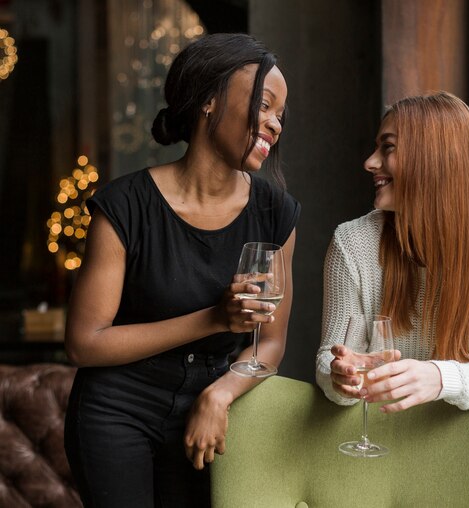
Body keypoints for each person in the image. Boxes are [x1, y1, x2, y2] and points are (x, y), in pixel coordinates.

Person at [64, 33, 300, 508]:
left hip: (209, 409)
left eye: (281, 114)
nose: (275, 123)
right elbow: (84, 342)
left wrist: (222, 394)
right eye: (265, 104)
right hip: (117, 412)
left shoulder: (276, 211)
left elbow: (270, 343)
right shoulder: (125, 206)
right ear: (210, 102)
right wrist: (215, 318)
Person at [316, 91, 469, 412]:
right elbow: (331, 362)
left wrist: (440, 377)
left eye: (387, 147)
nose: (369, 162)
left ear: (435, 157)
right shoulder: (352, 241)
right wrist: (339, 377)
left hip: (468, 446)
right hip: (375, 437)